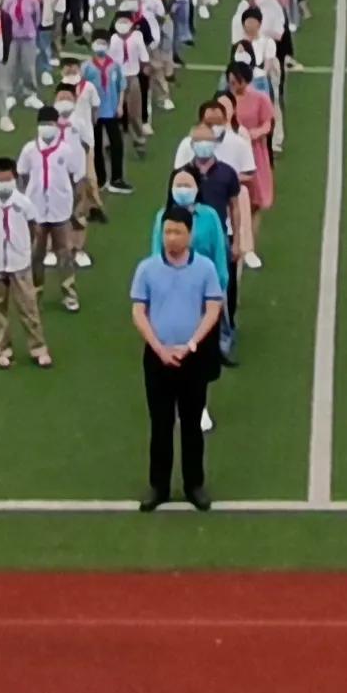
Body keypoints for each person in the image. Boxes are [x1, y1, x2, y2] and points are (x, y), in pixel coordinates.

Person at [129, 207, 225, 511]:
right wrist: (159, 347)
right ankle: (159, 486)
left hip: (192, 359)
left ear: (189, 234)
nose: (171, 237)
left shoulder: (206, 269)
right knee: (160, 424)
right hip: (157, 359)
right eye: (167, 231)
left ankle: (194, 484)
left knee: (192, 423)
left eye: (177, 232)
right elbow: (138, 311)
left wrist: (191, 344)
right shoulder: (147, 269)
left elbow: (213, 308)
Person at [0, 154, 49, 370]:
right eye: (1, 180)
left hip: (19, 263)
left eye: (8, 180)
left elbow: (34, 227)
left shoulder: (24, 203)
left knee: (28, 306)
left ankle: (38, 348)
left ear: (15, 179)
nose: (4, 184)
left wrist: (24, 248)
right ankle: (2, 349)